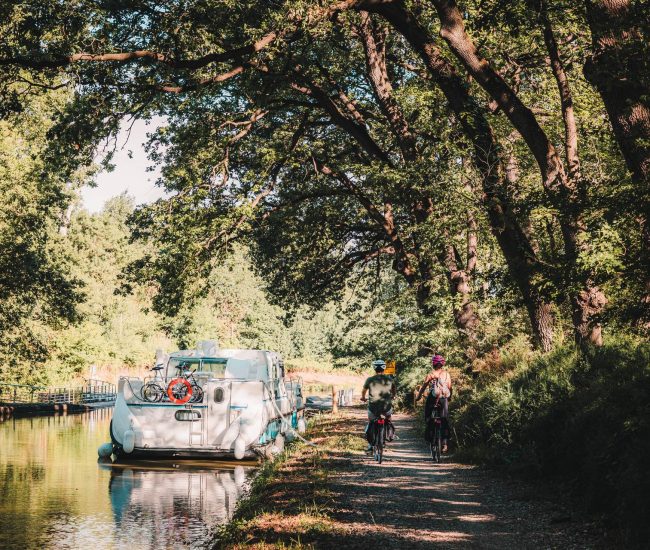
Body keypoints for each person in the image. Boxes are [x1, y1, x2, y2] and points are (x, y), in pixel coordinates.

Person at [415, 354, 452, 452]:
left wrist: (418, 397)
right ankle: (444, 444)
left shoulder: (431, 374)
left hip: (433, 397)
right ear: (442, 364)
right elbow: (449, 387)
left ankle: (429, 429)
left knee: (428, 415)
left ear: (434, 364)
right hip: (444, 398)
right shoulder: (447, 374)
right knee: (444, 419)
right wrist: (449, 398)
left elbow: (423, 387)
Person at [361, 359, 396, 450]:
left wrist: (363, 398)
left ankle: (370, 444)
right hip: (386, 407)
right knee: (388, 418)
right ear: (384, 368)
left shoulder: (370, 379)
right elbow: (394, 389)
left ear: (374, 368)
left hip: (373, 407)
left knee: (371, 421)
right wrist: (393, 396)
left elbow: (364, 391)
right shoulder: (389, 379)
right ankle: (388, 433)